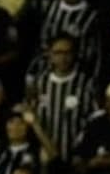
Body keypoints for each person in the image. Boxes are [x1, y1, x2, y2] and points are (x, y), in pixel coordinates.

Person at [27, 34, 98, 164]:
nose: (63, 58)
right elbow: (30, 115)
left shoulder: (87, 84)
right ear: (50, 54)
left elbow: (95, 120)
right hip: (44, 157)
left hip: (76, 158)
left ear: (75, 54)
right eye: (58, 52)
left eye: (67, 52)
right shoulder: (39, 83)